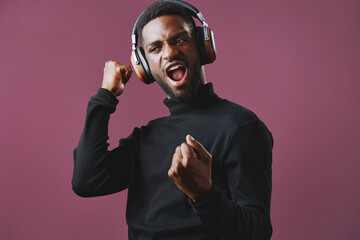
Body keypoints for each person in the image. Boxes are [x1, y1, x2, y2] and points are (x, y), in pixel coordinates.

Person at [72, 0, 274, 239]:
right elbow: (87, 180)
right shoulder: (145, 139)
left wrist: (204, 195)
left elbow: (257, 231)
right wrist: (105, 96)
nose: (169, 53)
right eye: (155, 48)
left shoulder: (241, 127)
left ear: (202, 45)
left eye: (179, 40)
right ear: (144, 66)